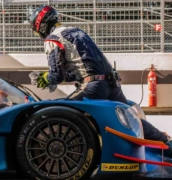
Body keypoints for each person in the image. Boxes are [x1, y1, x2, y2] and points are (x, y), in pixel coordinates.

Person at [29, 5, 171, 149]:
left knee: (61, 113)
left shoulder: (52, 39)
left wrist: (47, 79)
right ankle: (166, 143)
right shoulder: (75, 31)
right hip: (112, 83)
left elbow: (57, 75)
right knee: (133, 120)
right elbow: (84, 67)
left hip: (94, 86)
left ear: (41, 26)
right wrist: (54, 76)